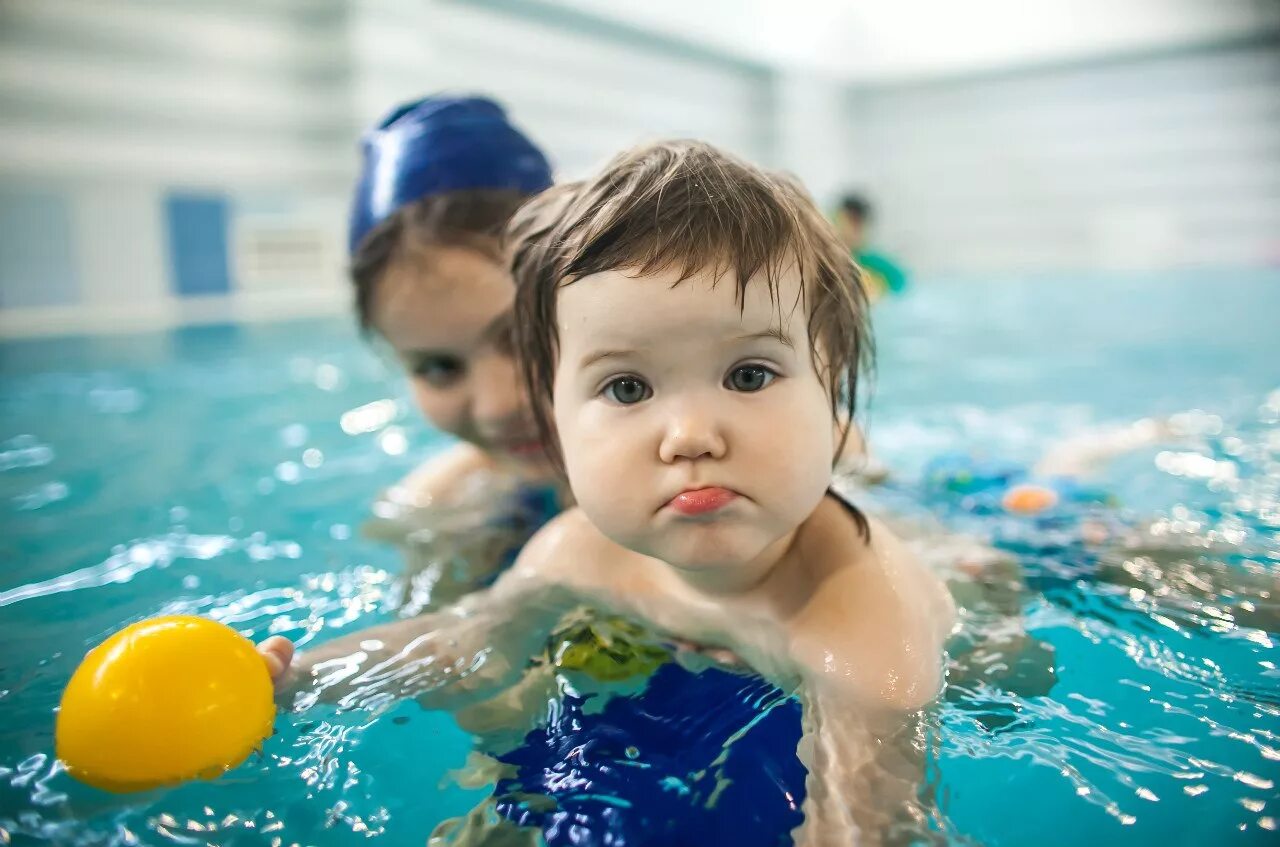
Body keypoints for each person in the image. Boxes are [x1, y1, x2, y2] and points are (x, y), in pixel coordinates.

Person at [267, 140, 955, 846]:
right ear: (554, 415)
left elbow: (864, 824)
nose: (689, 435)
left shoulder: (865, 634)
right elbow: (464, 645)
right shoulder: (578, 551)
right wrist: (296, 681)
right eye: (627, 387)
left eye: (748, 375)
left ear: (831, 389)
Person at [833, 193, 907, 302]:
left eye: (858, 225)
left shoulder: (873, 261)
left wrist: (879, 288)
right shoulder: (825, 257)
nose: (851, 230)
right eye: (850, 221)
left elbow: (901, 284)